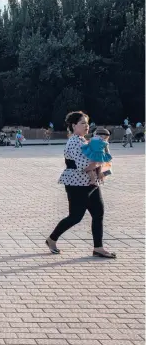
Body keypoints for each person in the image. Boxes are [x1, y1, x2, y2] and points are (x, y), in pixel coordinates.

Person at [46, 111, 116, 259]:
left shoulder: (84, 141)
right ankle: (52, 239)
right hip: (76, 184)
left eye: (87, 123)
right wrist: (101, 161)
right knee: (75, 216)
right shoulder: (74, 142)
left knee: (98, 213)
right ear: (73, 125)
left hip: (90, 183)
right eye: (82, 123)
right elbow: (84, 166)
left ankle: (98, 248)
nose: (86, 126)